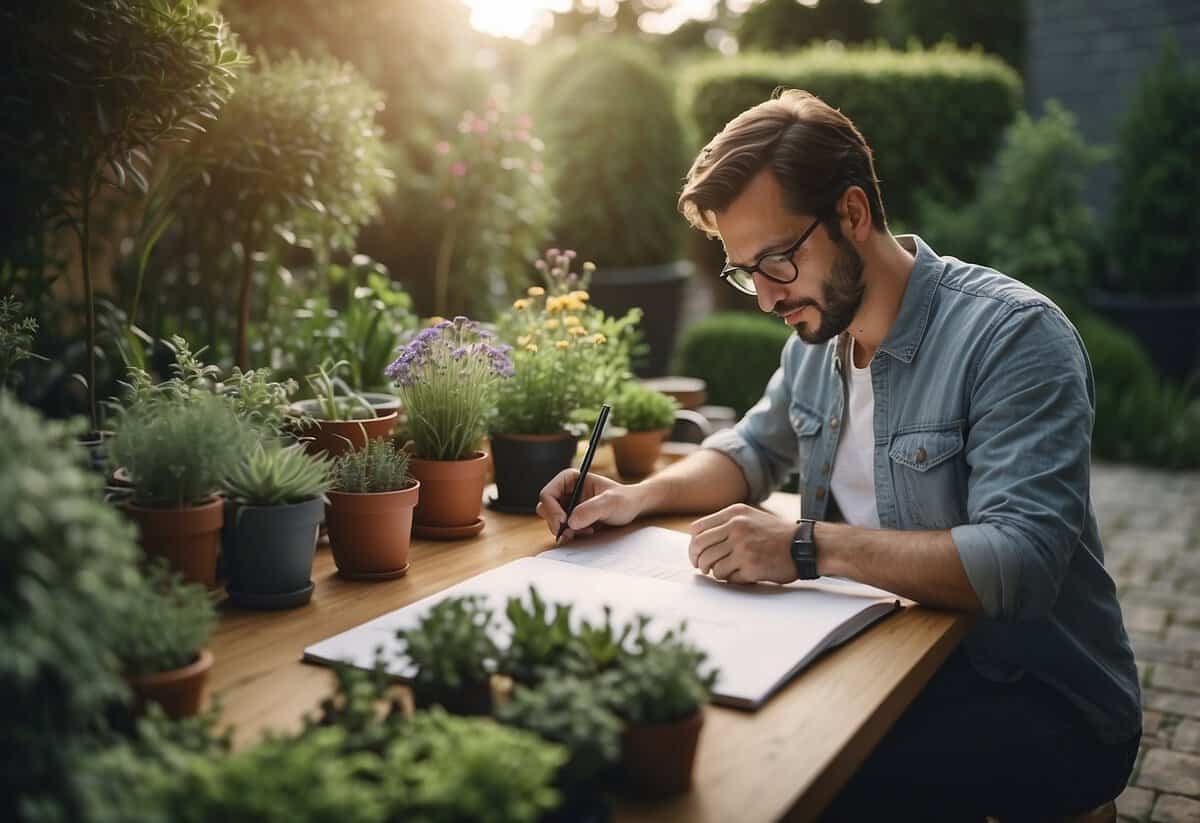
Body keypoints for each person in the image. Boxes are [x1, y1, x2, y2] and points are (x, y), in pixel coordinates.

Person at [536, 89, 1140, 821]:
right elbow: (751, 449)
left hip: (1038, 694)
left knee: (793, 779)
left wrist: (803, 545)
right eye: (744, 272)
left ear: (852, 214)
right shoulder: (816, 343)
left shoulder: (1014, 339)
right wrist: (635, 494)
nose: (764, 298)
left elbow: (1021, 562)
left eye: (778, 261)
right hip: (888, 651)